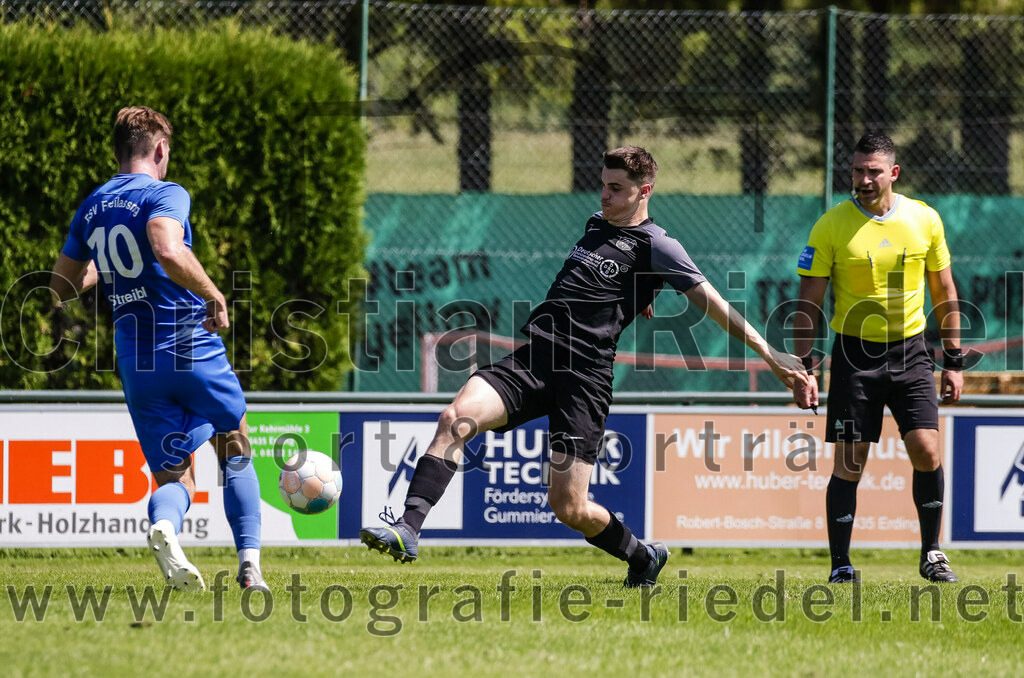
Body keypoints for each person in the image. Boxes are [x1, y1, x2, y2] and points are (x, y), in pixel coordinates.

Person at [361, 146, 807, 587]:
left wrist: (772, 357)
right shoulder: (596, 225)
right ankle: (409, 528)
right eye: (603, 186)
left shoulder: (659, 245)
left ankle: (642, 555)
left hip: (584, 379)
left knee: (569, 507)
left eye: (616, 189)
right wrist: (642, 294)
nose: (605, 196)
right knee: (454, 419)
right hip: (535, 356)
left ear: (643, 191)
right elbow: (609, 280)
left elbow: (716, 305)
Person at [49, 106, 268, 592]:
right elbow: (166, 247)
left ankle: (165, 526)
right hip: (189, 346)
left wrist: (107, 264)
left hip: (137, 362)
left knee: (176, 479)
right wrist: (213, 292)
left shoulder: (92, 206)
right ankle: (250, 566)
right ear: (161, 150)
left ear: (117, 152)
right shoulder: (166, 193)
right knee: (234, 447)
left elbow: (59, 287)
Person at [793, 131, 963, 584]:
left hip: (912, 353)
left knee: (926, 450)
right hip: (854, 356)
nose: (864, 179)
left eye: (873, 171)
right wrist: (803, 368)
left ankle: (932, 553)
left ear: (893, 173)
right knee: (850, 461)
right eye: (857, 171)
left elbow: (944, 291)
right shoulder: (830, 225)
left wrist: (954, 360)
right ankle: (840, 565)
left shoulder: (924, 219)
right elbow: (808, 303)